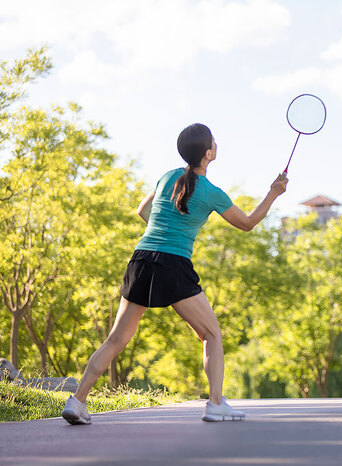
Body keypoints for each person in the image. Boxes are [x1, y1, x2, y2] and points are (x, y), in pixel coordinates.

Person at [61, 123, 288, 424]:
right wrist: (273, 193)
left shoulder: (167, 176)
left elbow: (143, 211)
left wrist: (163, 233)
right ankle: (216, 403)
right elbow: (246, 223)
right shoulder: (211, 193)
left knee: (116, 339)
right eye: (213, 142)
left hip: (141, 259)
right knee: (211, 334)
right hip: (174, 265)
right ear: (208, 153)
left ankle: (77, 401)